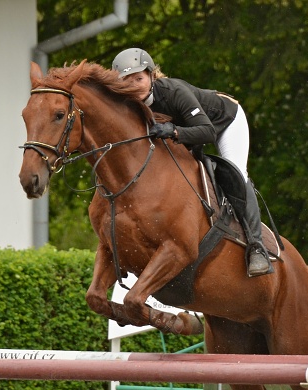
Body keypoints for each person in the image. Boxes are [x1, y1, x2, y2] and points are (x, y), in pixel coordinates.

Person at [112, 47, 272, 276]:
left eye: (138, 78)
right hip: (187, 132)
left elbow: (207, 132)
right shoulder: (126, 105)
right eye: (126, 81)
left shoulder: (174, 91)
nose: (134, 86)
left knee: (237, 172)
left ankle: (257, 248)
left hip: (224, 121)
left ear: (151, 75)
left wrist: (174, 131)